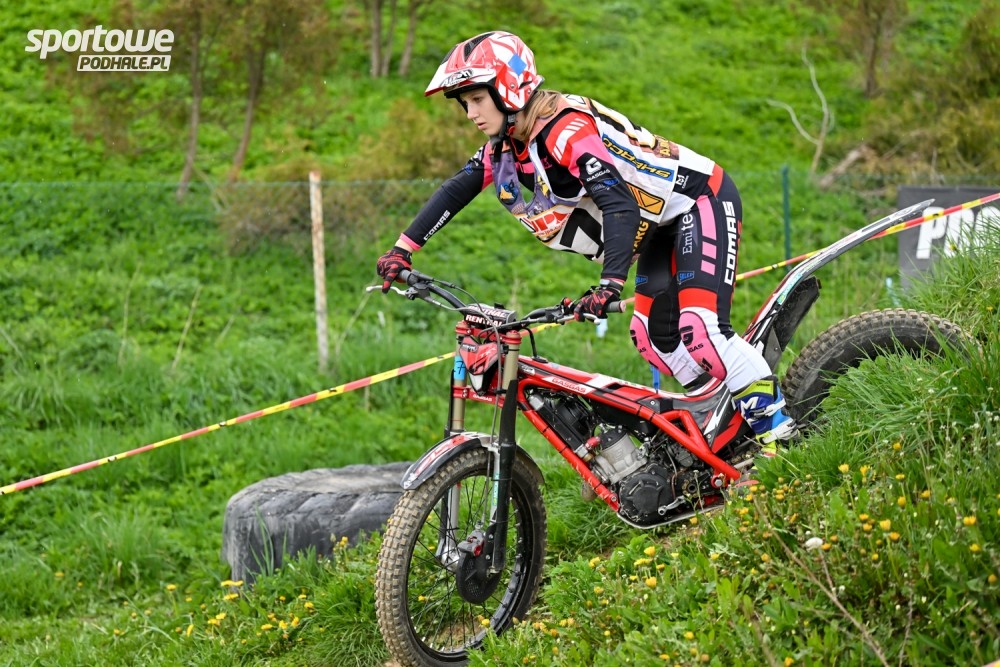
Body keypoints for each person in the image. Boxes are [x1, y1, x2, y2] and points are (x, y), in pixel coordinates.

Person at [375, 31, 796, 451]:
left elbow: (619, 204)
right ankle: (730, 423)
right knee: (653, 340)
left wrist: (609, 284)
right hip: (658, 227)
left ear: (508, 88)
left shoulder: (566, 130)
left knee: (701, 330)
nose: (470, 113)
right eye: (465, 104)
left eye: (477, 100)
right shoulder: (506, 148)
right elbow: (457, 189)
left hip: (698, 200)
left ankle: (783, 441)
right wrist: (402, 250)